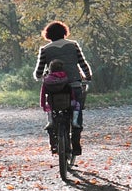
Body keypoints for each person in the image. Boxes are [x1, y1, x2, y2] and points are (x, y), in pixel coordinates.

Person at [34, 20, 91, 156]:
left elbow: (38, 72)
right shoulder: (73, 45)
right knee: (77, 107)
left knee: (53, 109)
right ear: (64, 32)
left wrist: (40, 76)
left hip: (54, 88)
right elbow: (83, 64)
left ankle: (53, 137)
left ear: (48, 35)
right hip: (74, 84)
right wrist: (88, 76)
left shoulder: (45, 50)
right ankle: (76, 137)